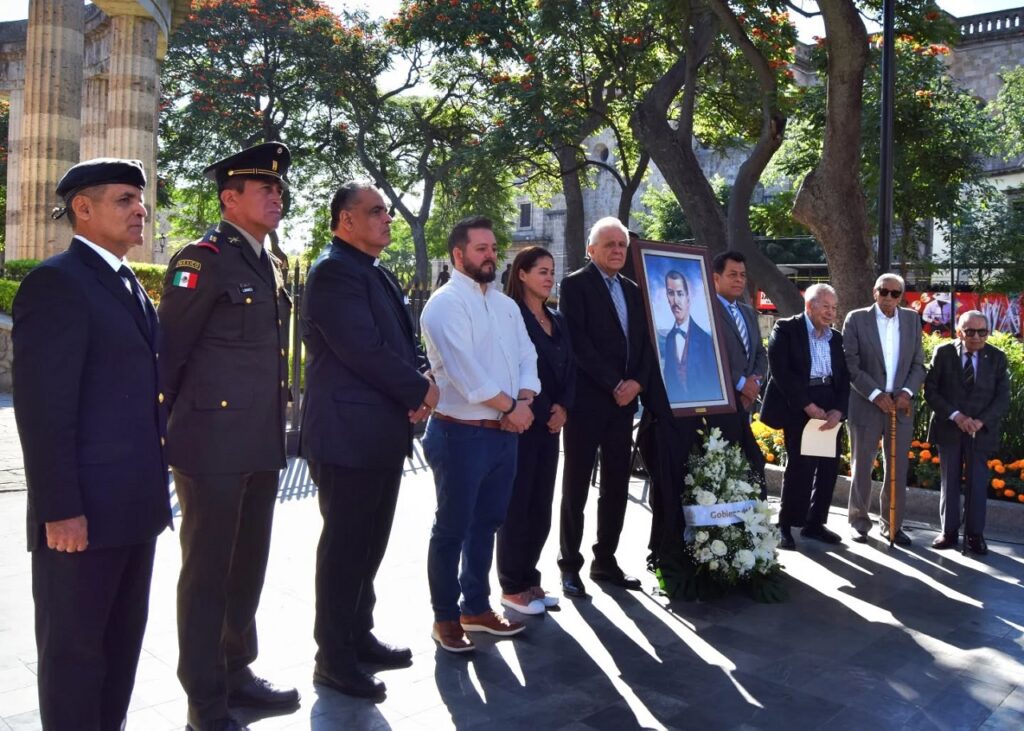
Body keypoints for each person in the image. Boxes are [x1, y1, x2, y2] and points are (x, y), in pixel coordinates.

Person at [12, 158, 171, 730]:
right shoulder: (58, 282)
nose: (140, 210)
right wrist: (60, 510)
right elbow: (43, 412)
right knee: (76, 658)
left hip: (133, 510)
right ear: (83, 207)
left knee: (120, 652)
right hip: (81, 518)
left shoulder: (128, 283)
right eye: (126, 199)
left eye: (141, 200)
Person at [159, 143, 299, 731]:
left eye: (278, 189)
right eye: (261, 188)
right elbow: (167, 354)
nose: (276, 196)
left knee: (247, 567)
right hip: (210, 445)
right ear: (228, 198)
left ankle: (237, 671)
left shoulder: (271, 261)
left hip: (261, 442)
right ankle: (204, 699)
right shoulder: (204, 258)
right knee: (208, 572)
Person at [300, 182, 439, 698]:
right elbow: (363, 349)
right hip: (346, 437)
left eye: (386, 211)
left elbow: (401, 344)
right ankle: (332, 658)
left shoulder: (373, 272)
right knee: (344, 549)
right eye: (375, 211)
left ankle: (359, 636)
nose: (387, 219)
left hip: (380, 434)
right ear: (345, 220)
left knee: (369, 546)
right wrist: (420, 388)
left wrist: (419, 378)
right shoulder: (333, 271)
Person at [420, 216, 540, 653]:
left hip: (504, 434)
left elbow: (528, 356)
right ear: (458, 254)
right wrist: (513, 407)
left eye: (493, 247)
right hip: (460, 435)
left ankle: (476, 608)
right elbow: (466, 373)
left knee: (486, 525)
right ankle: (445, 618)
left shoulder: (506, 305)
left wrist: (523, 402)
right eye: (481, 248)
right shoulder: (444, 304)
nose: (491, 255)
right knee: (451, 529)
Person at [558, 216, 651, 598]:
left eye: (621, 246)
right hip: (588, 402)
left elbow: (646, 344)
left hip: (624, 405)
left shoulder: (633, 290)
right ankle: (569, 566)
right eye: (609, 244)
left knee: (615, 484)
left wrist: (637, 383)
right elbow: (577, 343)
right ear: (591, 250)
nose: (617, 251)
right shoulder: (575, 285)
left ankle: (606, 559)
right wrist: (614, 383)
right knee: (576, 485)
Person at [496, 246, 576, 615]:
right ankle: (512, 585)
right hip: (523, 423)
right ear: (522, 274)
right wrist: (542, 409)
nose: (549, 277)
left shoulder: (556, 318)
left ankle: (531, 579)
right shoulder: (509, 316)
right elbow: (513, 370)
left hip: (551, 425)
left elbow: (569, 369)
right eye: (541, 270)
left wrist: (564, 407)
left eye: (552, 270)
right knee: (518, 504)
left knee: (541, 504)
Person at [760, 284, 850, 550]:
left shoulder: (836, 337)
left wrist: (839, 410)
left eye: (834, 308)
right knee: (800, 466)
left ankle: (814, 523)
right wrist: (807, 405)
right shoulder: (786, 329)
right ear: (810, 305)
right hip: (798, 403)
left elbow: (844, 378)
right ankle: (786, 525)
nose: (831, 313)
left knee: (828, 467)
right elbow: (781, 372)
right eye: (826, 307)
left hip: (828, 404)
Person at [842, 274, 926, 545]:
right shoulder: (856, 319)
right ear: (874, 291)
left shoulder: (912, 320)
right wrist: (876, 394)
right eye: (884, 292)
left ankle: (892, 524)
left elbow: (918, 364)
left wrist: (907, 393)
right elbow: (850, 364)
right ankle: (859, 522)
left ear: (902, 295)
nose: (889, 298)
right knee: (862, 465)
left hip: (899, 406)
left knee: (897, 468)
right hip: (867, 403)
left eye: (895, 293)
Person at [924, 310, 1009, 555]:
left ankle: (975, 535)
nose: (976, 337)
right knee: (949, 481)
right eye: (970, 331)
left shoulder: (997, 357)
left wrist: (979, 421)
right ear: (959, 332)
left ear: (988, 332)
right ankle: (948, 532)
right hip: (949, 427)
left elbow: (1002, 397)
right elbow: (931, 390)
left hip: (980, 431)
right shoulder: (944, 353)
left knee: (977, 483)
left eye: (982, 331)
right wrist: (956, 416)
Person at [707, 251, 769, 498]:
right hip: (720, 403)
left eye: (742, 275)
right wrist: (741, 383)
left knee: (752, 463)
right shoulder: (707, 311)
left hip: (745, 402)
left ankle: (755, 523)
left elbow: (760, 353)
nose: (739, 280)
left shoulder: (747, 311)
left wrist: (755, 382)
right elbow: (711, 353)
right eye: (732, 274)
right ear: (715, 278)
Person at [658, 269, 722, 403]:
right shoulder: (669, 338)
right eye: (671, 293)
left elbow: (715, 384)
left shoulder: (706, 340)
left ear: (688, 298)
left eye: (680, 294)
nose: (675, 300)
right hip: (676, 414)